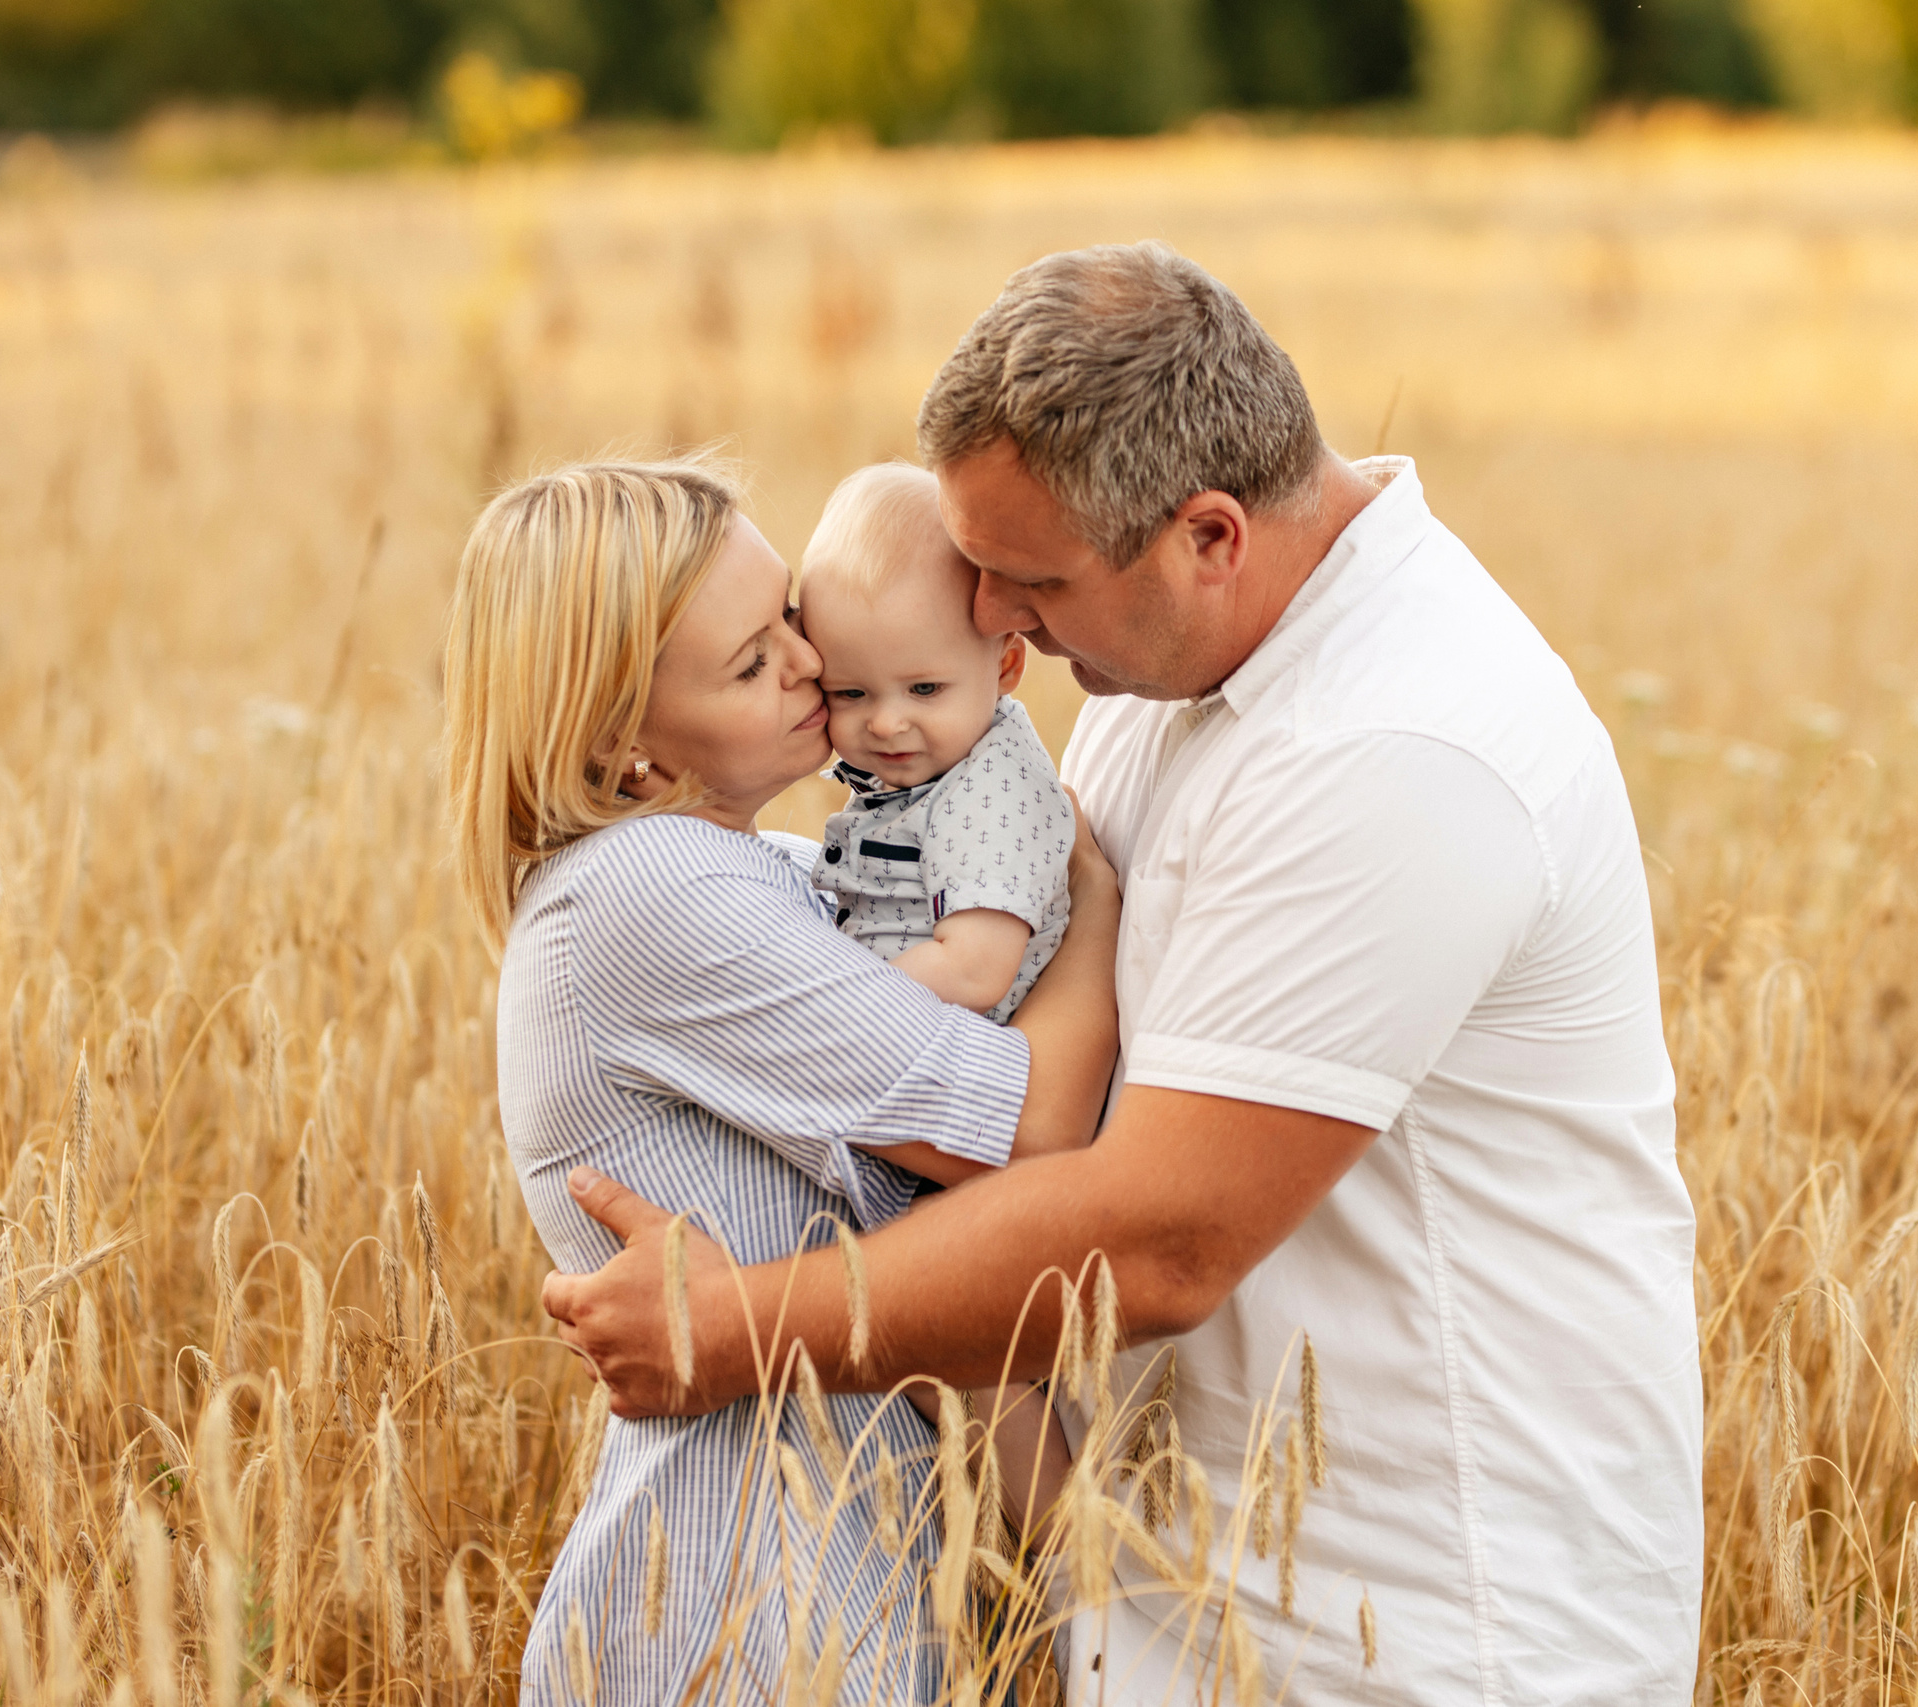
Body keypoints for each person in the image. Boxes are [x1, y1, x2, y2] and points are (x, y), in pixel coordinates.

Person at [542, 245, 1704, 1705]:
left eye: (1031, 584)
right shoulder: (1164, 675)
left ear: (1209, 534)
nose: (1002, 629)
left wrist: (737, 1329)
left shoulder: (1400, 749)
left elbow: (1160, 1237)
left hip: (1415, 1628)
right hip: (1184, 1605)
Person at [440, 457, 1119, 1705]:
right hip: (740, 1619)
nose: (814, 670)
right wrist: (1086, 902)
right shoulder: (649, 892)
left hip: (824, 1599)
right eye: (753, 664)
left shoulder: (783, 876)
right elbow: (1025, 1132)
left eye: (791, 621)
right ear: (621, 745)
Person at [801, 461, 1074, 1023]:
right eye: (850, 693)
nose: (885, 724)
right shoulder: (932, 769)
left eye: (924, 689)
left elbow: (975, 970)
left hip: (952, 1064)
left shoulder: (993, 793)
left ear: (1006, 665)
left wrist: (825, 1001)